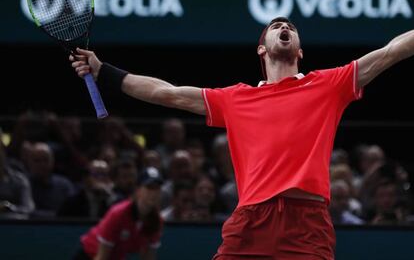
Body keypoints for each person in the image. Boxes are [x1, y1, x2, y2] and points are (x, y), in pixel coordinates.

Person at [71, 16, 414, 259]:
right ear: (261, 50)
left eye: (291, 27)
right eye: (277, 26)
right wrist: (105, 71)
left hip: (306, 226)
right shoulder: (235, 99)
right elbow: (168, 93)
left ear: (300, 51)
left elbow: (391, 51)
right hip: (251, 222)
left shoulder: (328, 85)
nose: (285, 28)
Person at [73, 167, 163, 260]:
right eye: (149, 188)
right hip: (88, 255)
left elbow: (148, 257)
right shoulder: (118, 214)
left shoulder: (157, 221)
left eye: (157, 188)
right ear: (138, 190)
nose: (154, 193)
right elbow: (101, 257)